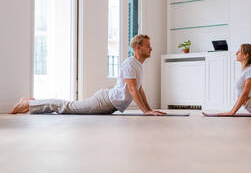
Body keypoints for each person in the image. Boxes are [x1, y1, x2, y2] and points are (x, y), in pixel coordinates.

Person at [9, 34, 166, 116]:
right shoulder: (130, 63)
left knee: (68, 107)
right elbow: (132, 90)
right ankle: (27, 104)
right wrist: (146, 112)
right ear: (138, 48)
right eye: (148, 46)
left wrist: (150, 109)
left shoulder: (137, 65)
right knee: (67, 107)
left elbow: (139, 89)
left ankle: (32, 103)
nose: (151, 49)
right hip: (103, 102)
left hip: (108, 103)